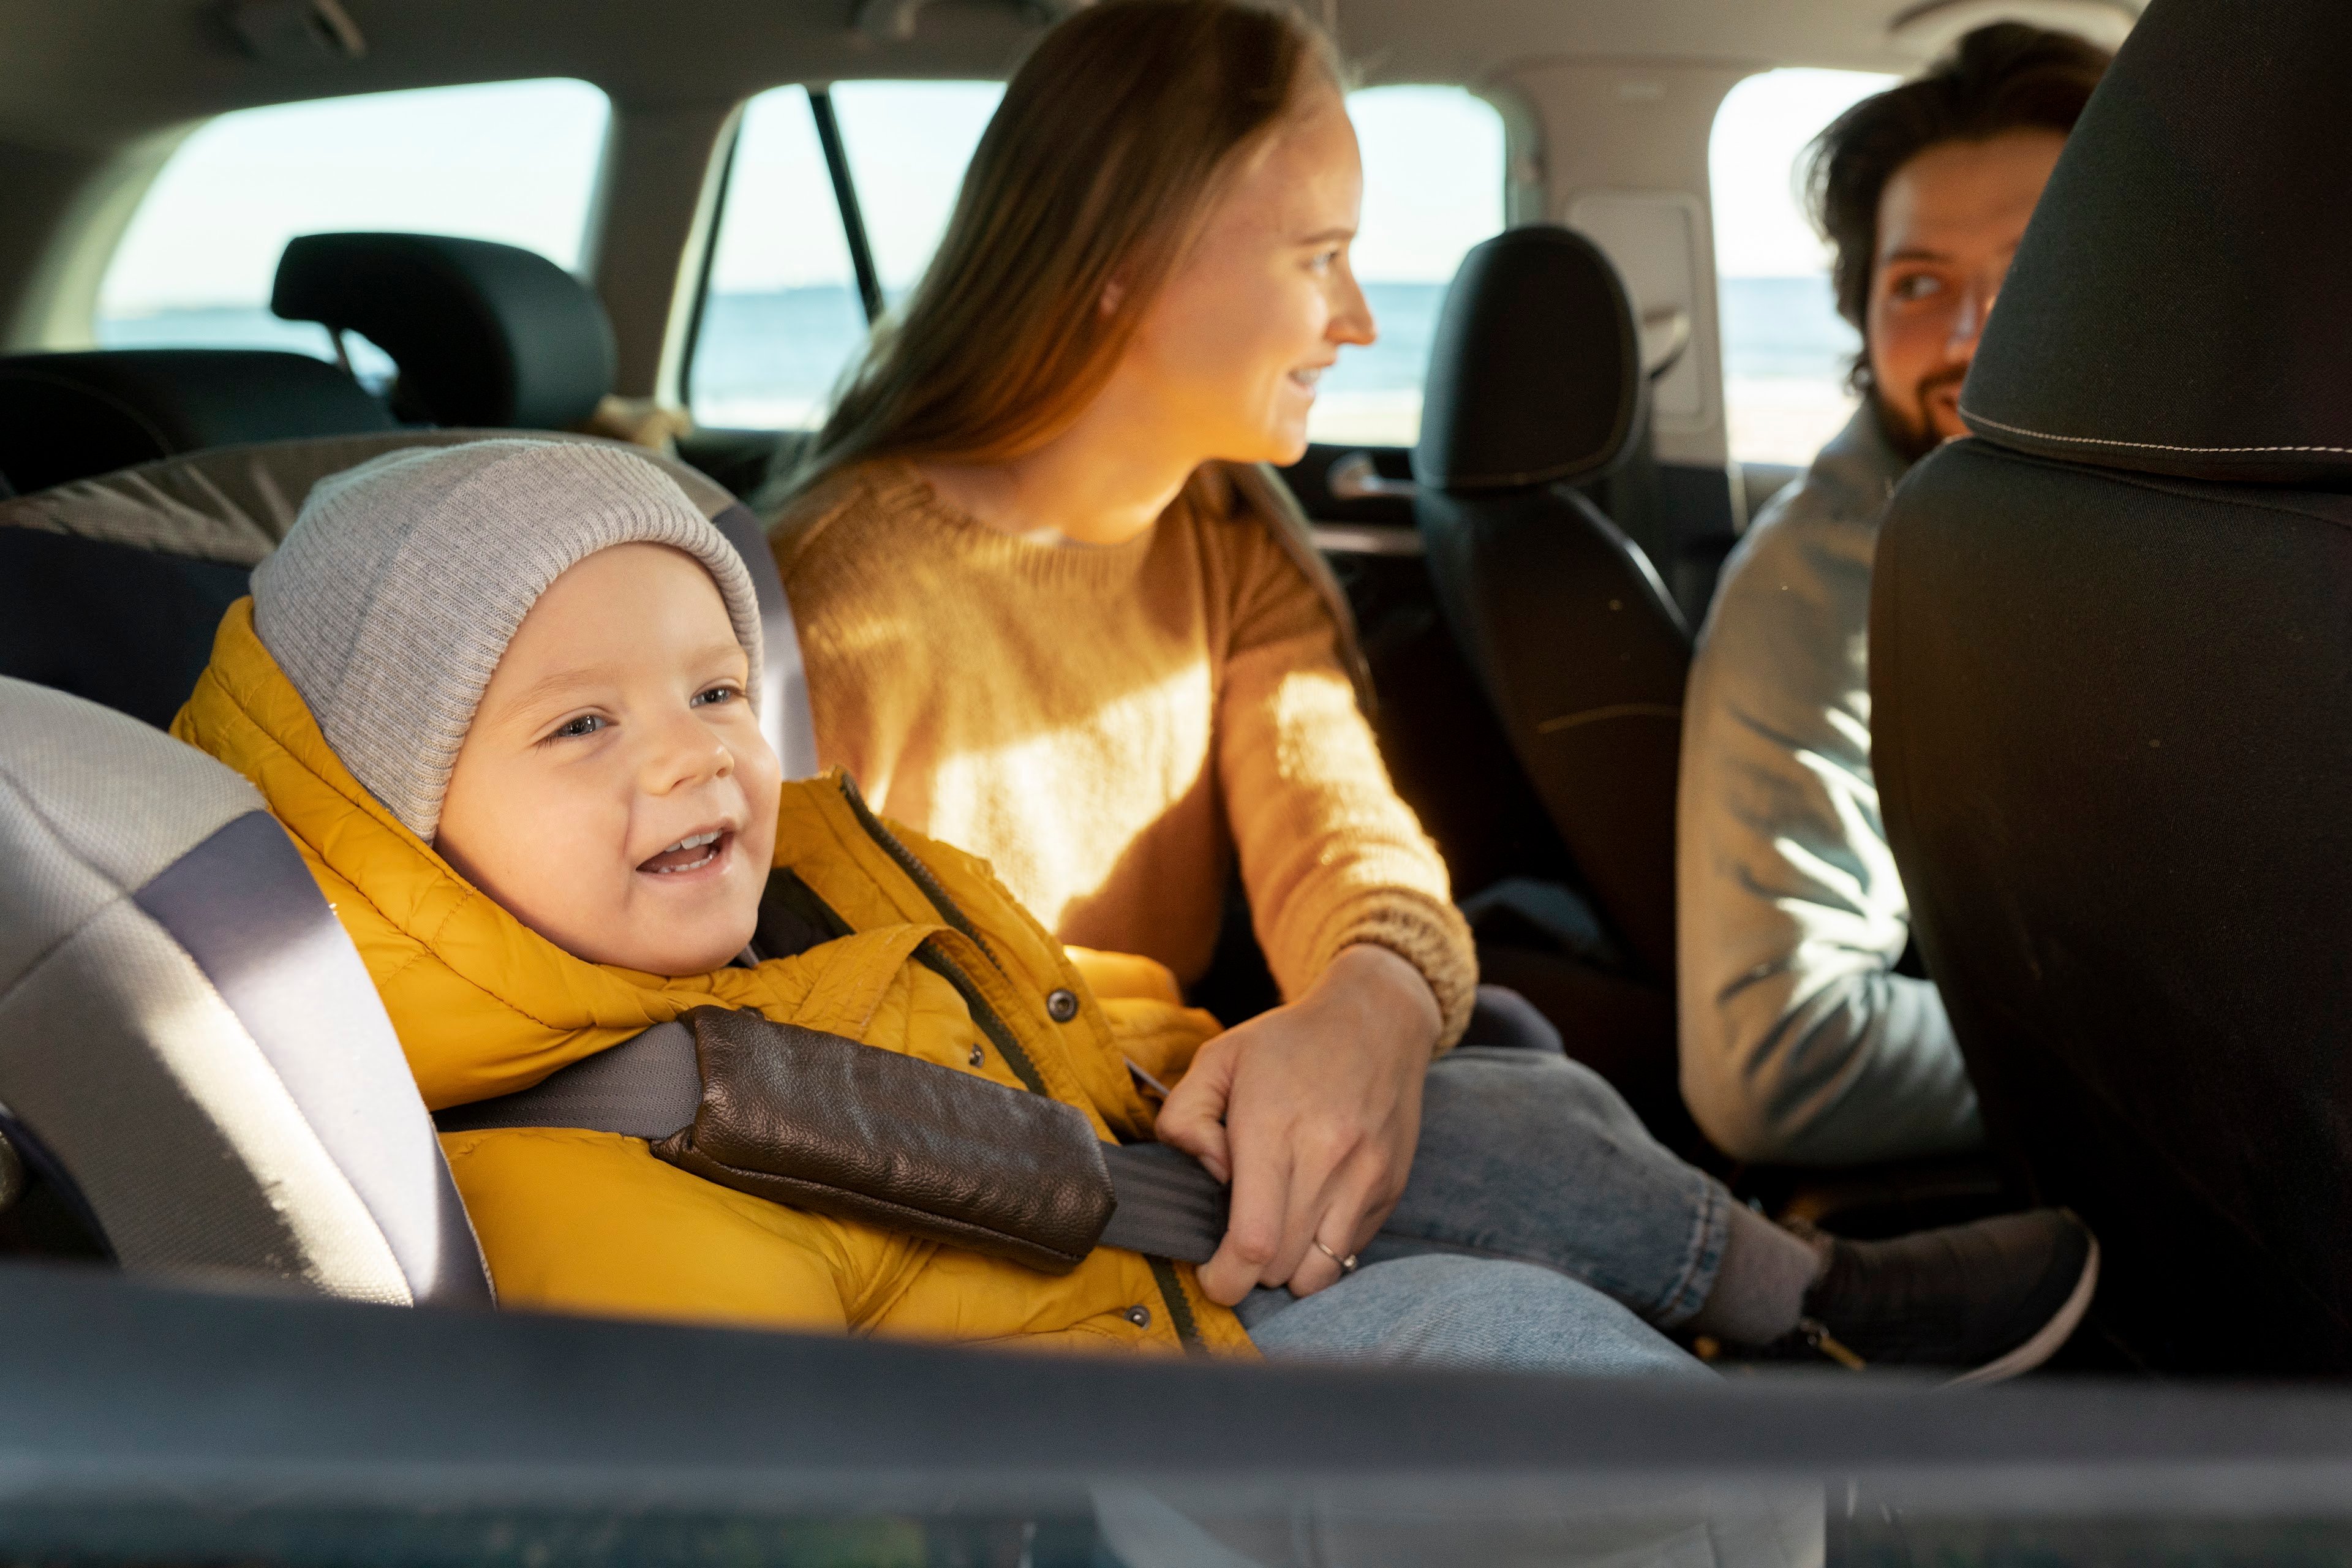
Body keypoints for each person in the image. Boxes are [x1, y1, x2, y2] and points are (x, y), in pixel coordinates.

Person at [174, 437, 2091, 1376]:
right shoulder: (568, 1163)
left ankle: (1795, 1321)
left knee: (1517, 1095)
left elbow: (1035, 1000)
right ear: (398, 808)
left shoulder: (829, 874)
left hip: (1145, 1217)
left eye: (709, 694)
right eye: (580, 726)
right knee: (1512, 1345)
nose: (690, 763)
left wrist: (1246, 1044)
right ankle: (1825, 1495)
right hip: (1126, 1426)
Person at [1676, 24, 2111, 1167]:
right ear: (1862, 319)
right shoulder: (1829, 587)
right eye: (1921, 283)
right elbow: (1776, 1057)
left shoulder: (2102, 530)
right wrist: (2181, 1057)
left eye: (2036, 270)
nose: (1975, 336)